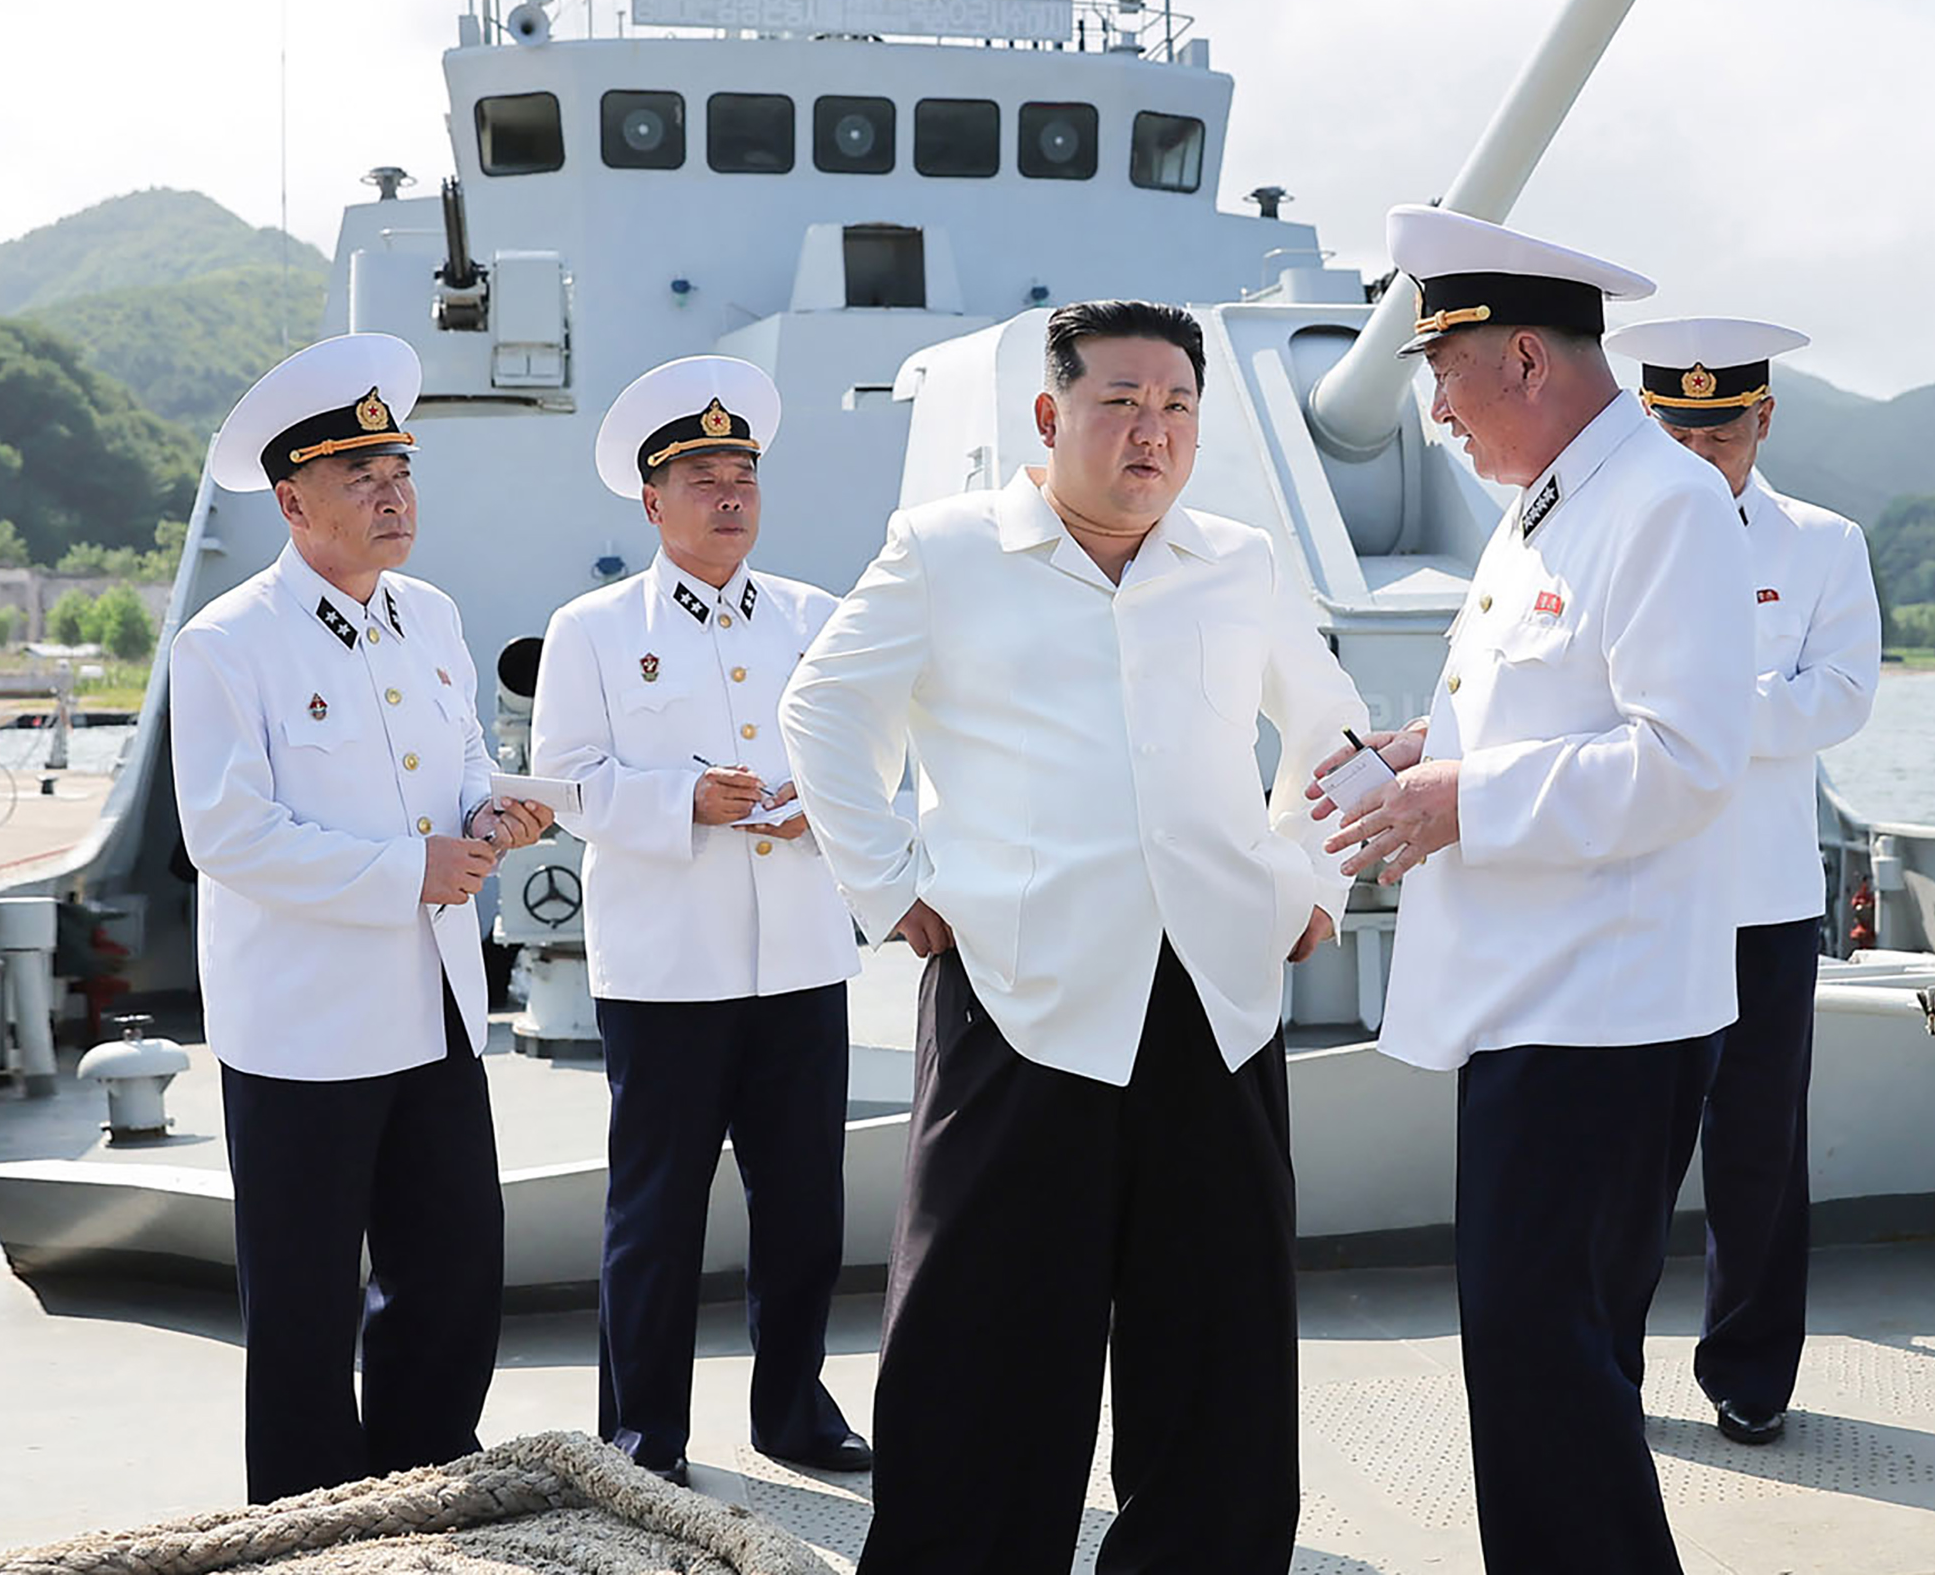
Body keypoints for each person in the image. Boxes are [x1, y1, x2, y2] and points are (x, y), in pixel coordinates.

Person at [780, 299, 1371, 1575]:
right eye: (1120, 400)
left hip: (1212, 995)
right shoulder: (948, 549)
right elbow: (823, 706)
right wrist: (886, 886)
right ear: (1050, 417)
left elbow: (1330, 728)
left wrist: (1312, 878)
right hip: (1020, 993)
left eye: (1175, 406)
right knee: (983, 1342)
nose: (1150, 429)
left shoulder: (1238, 559)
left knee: (1218, 1346)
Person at [1319, 208, 1752, 1575]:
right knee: (1549, 1359)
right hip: (1536, 1001)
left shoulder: (1664, 502)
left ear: (1516, 358)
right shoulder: (1546, 511)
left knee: (1539, 1355)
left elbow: (1686, 762)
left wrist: (1463, 801)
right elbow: (1543, 712)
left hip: (1600, 1016)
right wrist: (1418, 752)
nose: (1432, 414)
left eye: (1439, 374)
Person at [168, 332, 551, 1502]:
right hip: (304, 1027)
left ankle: (426, 1484)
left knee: (451, 1271)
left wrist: (497, 805)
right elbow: (226, 834)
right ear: (293, 500)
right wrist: (408, 869)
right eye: (361, 477)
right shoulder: (228, 642)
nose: (394, 495)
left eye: (401, 471)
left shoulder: (428, 615)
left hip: (433, 1007)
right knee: (303, 1295)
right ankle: (307, 1514)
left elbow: (462, 760)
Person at [531, 356, 870, 1482]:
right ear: (653, 499)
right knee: (657, 1209)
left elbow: (868, 766)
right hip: (668, 966)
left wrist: (811, 813)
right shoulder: (590, 627)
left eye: (742, 473)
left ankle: (794, 1406)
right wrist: (684, 794)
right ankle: (644, 1429)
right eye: (702, 475)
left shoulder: (818, 618)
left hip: (803, 957)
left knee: (805, 1206)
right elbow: (565, 783)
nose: (729, 493)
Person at [1606, 314, 1882, 1445]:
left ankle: (1751, 1372)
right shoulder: (1609, 532)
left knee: (1760, 1148)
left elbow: (1843, 694)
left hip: (1763, 901)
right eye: (1674, 427)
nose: (1695, 448)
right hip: (1639, 889)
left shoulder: (1822, 542)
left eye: (1717, 429)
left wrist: (1704, 713)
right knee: (1624, 1142)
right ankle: (1601, 1362)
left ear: (1761, 418)